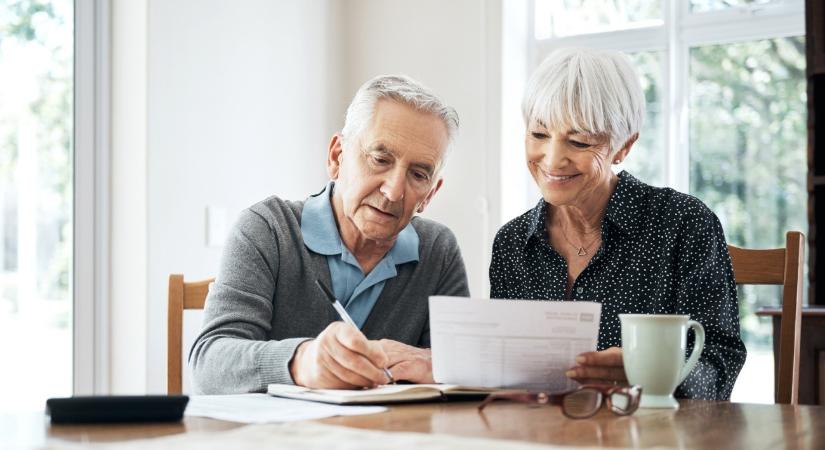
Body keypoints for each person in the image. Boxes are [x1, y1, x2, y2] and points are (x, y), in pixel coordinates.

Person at [489, 48, 746, 400]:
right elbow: (504, 369)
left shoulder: (684, 224)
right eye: (538, 134)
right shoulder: (512, 242)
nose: (552, 159)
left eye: (578, 141)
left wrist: (652, 373)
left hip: (650, 427)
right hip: (543, 426)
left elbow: (720, 365)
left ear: (623, 146)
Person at [190, 75, 469, 394]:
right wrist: (301, 362)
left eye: (418, 174)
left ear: (430, 194)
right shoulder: (268, 229)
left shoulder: (438, 250)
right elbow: (209, 366)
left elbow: (464, 372)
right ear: (337, 157)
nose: (393, 191)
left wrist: (442, 366)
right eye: (380, 160)